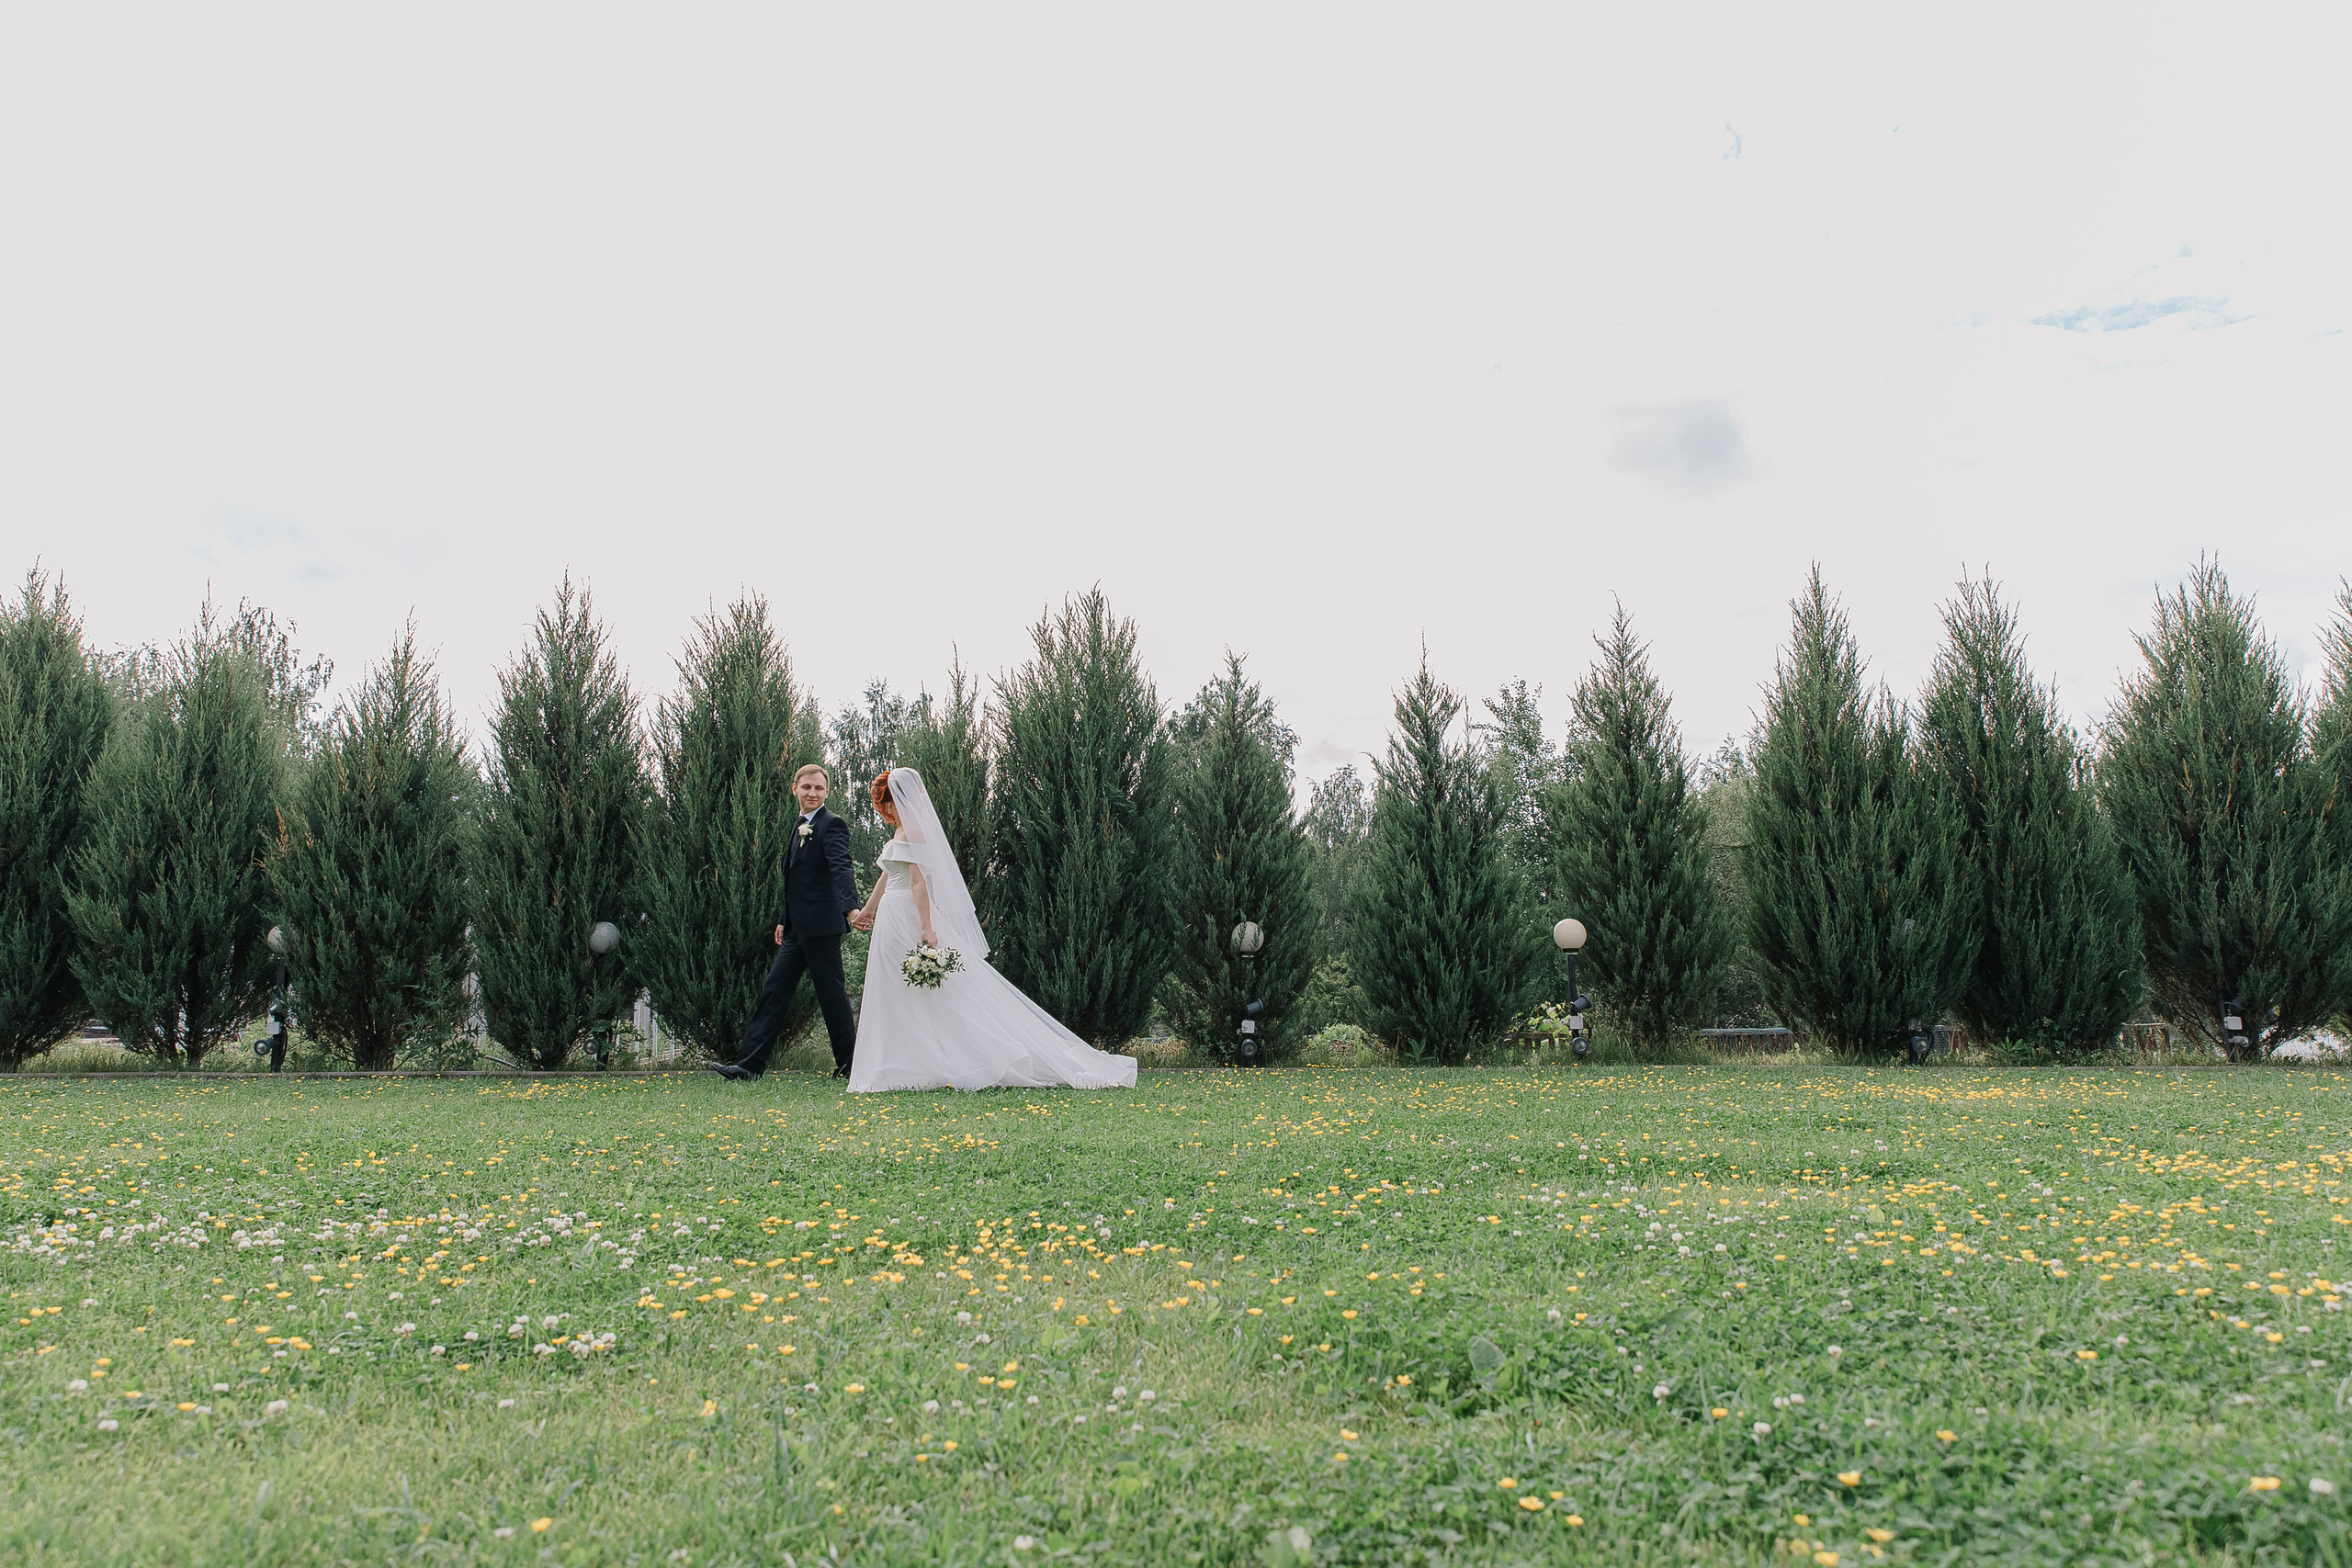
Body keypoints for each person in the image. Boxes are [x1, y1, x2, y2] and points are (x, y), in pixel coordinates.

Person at [847, 767, 1136, 1092]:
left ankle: (968, 1055)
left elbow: (917, 883)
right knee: (897, 987)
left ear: (891, 802)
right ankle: (902, 1064)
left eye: (885, 803)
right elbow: (888, 875)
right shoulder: (901, 832)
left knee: (937, 989)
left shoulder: (912, 831)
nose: (885, 810)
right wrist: (867, 911)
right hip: (890, 914)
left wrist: (927, 928)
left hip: (907, 915)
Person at [713, 763, 864, 1080]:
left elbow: (841, 868)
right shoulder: (799, 825)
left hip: (822, 927)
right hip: (796, 929)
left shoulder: (831, 824)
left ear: (826, 792)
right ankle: (749, 1067)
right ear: (794, 788)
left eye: (819, 788)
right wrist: (785, 920)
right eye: (807, 787)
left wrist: (851, 908)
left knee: (832, 997)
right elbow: (795, 880)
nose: (812, 793)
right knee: (774, 992)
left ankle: (852, 1067)